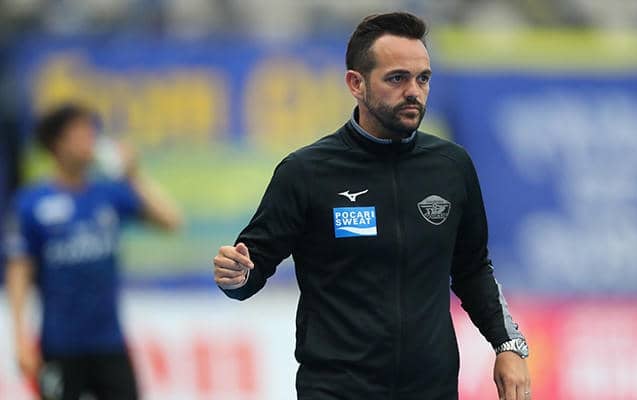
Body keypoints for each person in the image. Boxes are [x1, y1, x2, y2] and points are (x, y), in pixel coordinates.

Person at [213, 12, 531, 400]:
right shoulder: (306, 172)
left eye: (423, 79)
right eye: (397, 78)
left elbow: (472, 269)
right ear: (356, 83)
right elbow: (250, 268)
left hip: (431, 390)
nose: (413, 91)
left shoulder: (451, 167)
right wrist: (236, 275)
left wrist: (508, 345)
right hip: (337, 390)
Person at [4, 104, 182, 400]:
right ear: (58, 143)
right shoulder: (31, 203)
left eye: (92, 132)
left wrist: (133, 175)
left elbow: (171, 220)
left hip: (109, 342)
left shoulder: (107, 194)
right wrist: (20, 337)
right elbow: (19, 270)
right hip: (59, 345)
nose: (91, 140)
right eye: (81, 133)